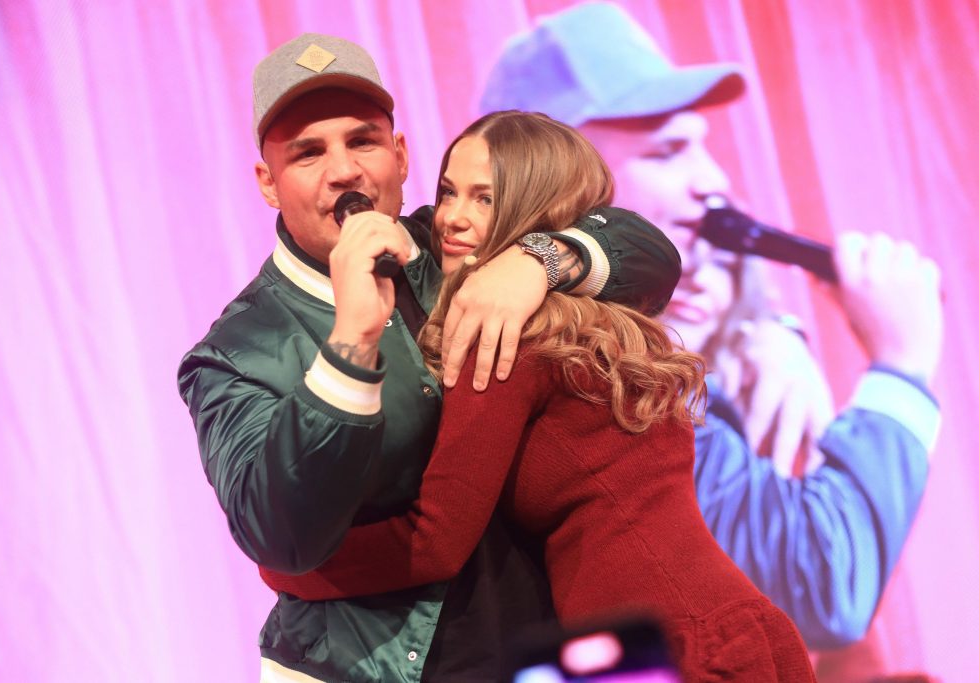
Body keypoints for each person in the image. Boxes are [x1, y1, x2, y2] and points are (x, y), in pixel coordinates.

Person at [177, 33, 682, 683]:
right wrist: (351, 342)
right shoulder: (234, 352)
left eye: (362, 142)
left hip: (544, 650)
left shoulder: (459, 245)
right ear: (268, 184)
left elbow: (650, 254)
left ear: (401, 155)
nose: (343, 171)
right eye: (308, 152)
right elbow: (279, 535)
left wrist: (541, 261)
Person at [266, 110, 817, 682]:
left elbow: (434, 542)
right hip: (711, 627)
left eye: (485, 199)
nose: (452, 217)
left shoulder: (507, 336)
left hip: (673, 648)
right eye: (449, 191)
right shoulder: (594, 321)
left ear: (532, 212)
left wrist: (292, 570)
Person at [478, 0, 943, 650]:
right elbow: (823, 583)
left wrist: (766, 334)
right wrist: (902, 364)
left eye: (703, 146)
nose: (714, 180)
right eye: (668, 151)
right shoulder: (596, 382)